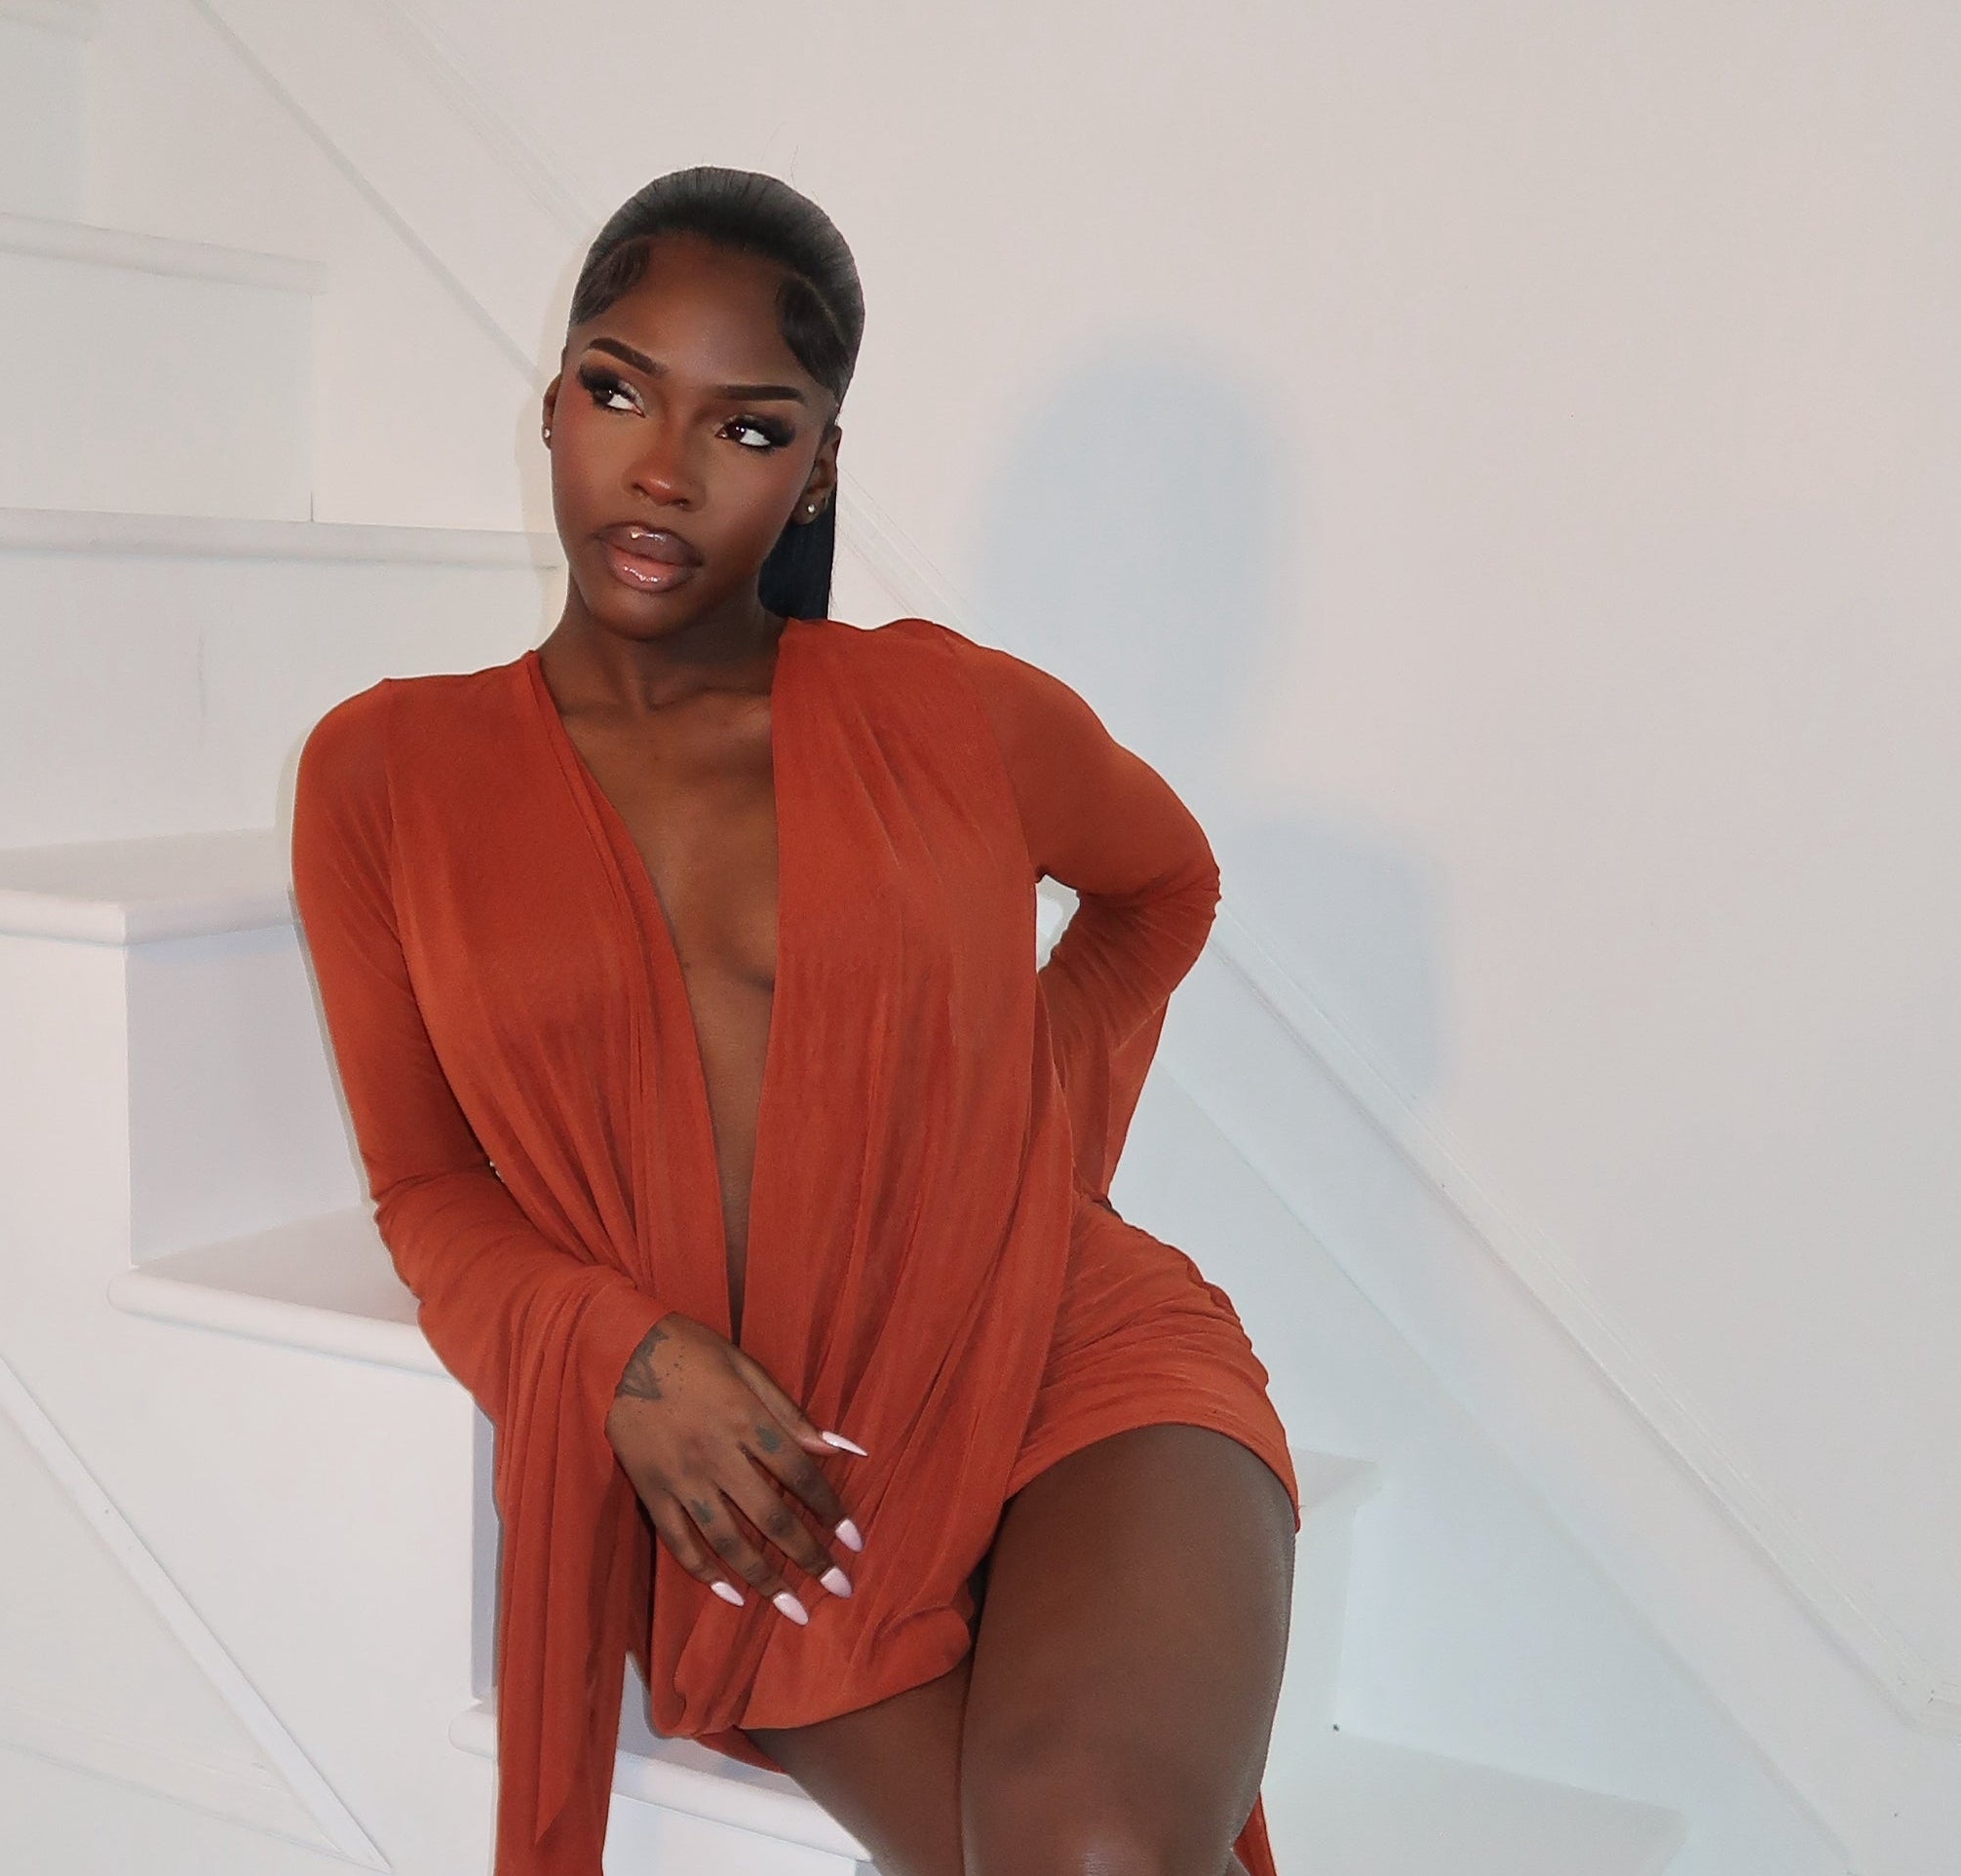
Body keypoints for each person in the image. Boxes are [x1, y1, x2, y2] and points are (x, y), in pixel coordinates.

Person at [290, 167, 1301, 1876]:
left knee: (1101, 1848)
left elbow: (1165, 888)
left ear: (819, 465)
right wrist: (618, 1354)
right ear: (553, 402)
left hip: (1073, 1355)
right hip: (770, 1464)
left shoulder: (953, 714)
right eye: (619, 389)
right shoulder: (383, 776)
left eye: (748, 429)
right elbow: (427, 1192)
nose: (664, 470)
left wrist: (1018, 1145)